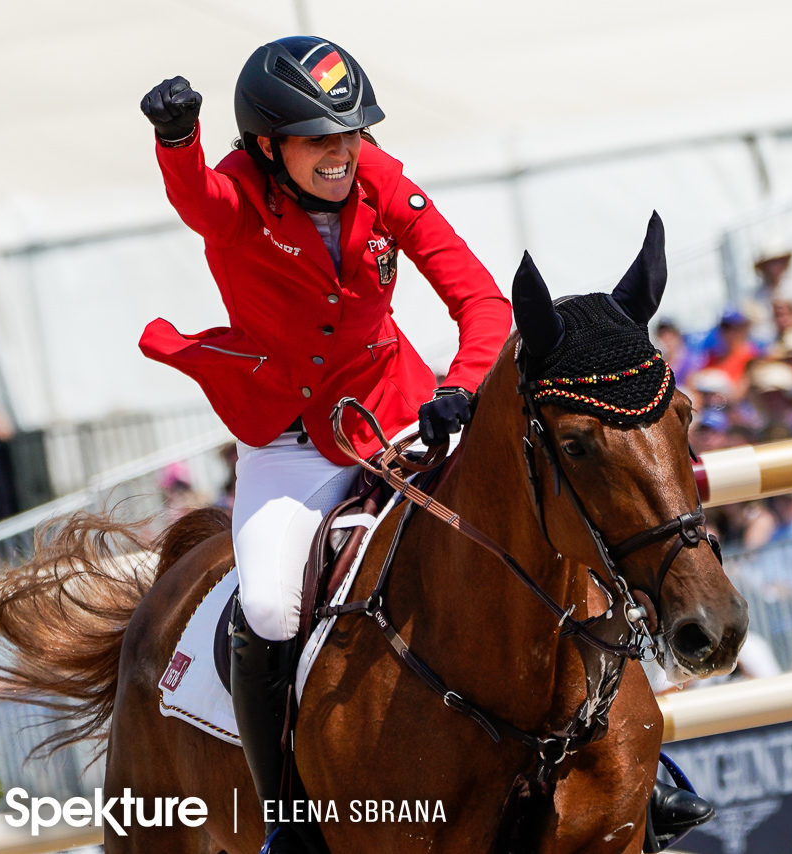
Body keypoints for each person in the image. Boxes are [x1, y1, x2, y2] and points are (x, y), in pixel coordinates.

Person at [140, 38, 513, 852]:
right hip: (291, 439)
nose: (343, 153)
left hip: (403, 414)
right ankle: (292, 822)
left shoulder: (380, 180)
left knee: (531, 529)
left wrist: (461, 386)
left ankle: (649, 769)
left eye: (351, 133)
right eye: (320, 138)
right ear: (269, 147)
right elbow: (198, 199)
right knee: (271, 605)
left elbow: (481, 299)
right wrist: (178, 143)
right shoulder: (239, 196)